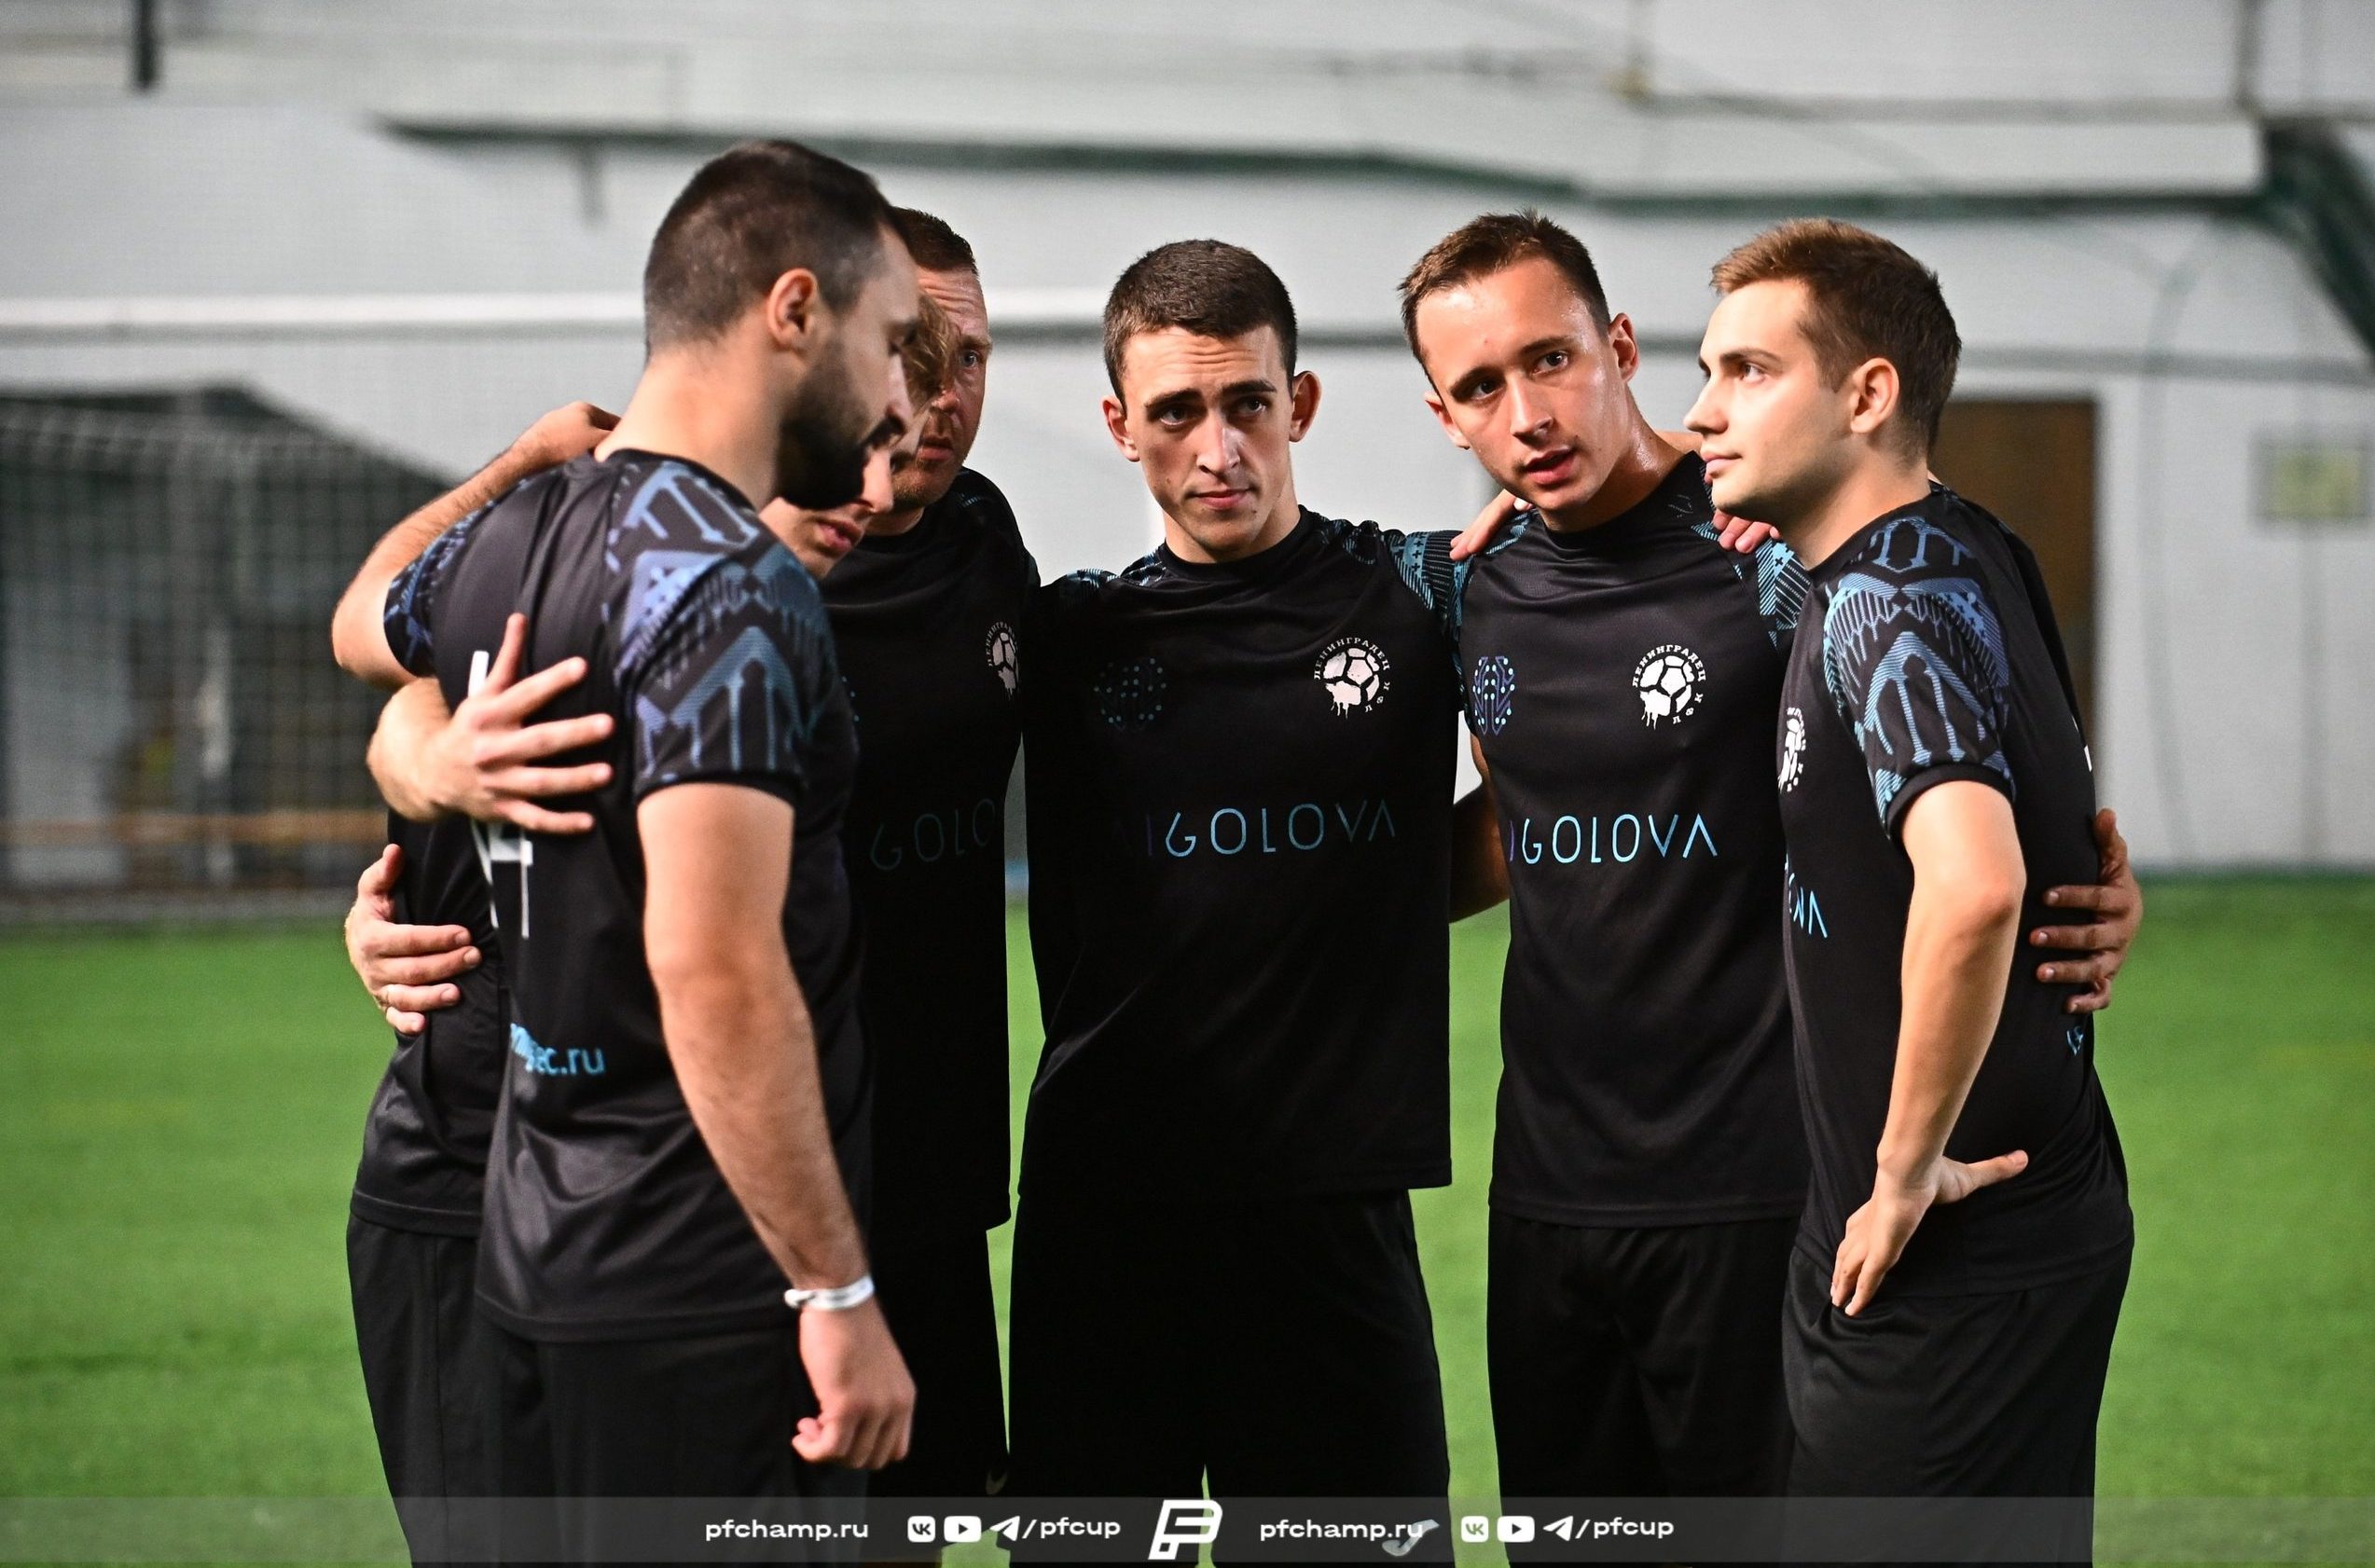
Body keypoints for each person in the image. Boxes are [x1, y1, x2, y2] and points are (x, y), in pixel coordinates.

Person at [1400, 211, 2142, 1527]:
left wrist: (2081, 883)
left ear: (1618, 346)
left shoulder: (1779, 549)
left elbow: (1967, 763)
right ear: (1443, 414)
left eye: (1551, 360)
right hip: (1550, 1194)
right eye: (1480, 388)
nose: (1528, 414)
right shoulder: (1472, 585)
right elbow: (1518, 824)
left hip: (1763, 1187)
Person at [327, 138, 920, 1560]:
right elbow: (714, 969)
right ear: (795, 310)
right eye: (891, 340)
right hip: (699, 1283)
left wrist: (418, 749)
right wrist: (835, 1293)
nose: (898, 397)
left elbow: (371, 620)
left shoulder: (510, 538)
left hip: (533, 1261)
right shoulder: (731, 585)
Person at [1009, 240, 1472, 1527]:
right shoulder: (1068, 633)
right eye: (1175, 413)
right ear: (1120, 427)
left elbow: (1573, 766)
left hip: (1331, 1222)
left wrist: (1378, 886)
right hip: (1102, 1219)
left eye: (1247, 404)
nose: (1217, 449)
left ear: (1299, 403)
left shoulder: (1420, 594)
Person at [1685, 219, 2132, 1552]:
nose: (1704, 411)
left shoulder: (1886, 600)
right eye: (1708, 372)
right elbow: (2054, 824)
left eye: (1749, 371)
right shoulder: (1970, 543)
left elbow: (1979, 883)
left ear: (1869, 394)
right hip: (2036, 1214)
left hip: (1951, 1249)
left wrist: (1900, 1168)